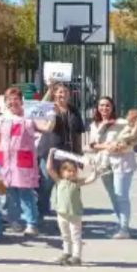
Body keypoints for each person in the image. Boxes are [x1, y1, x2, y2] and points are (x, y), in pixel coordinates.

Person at [0, 87, 55, 237]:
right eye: (9, 99)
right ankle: (14, 221)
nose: (12, 102)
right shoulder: (1, 119)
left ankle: (31, 223)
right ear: (6, 102)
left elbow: (46, 128)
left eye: (16, 99)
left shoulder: (29, 117)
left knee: (25, 192)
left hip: (23, 161)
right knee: (10, 192)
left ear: (21, 101)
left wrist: (51, 117)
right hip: (5, 161)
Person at [87, 98, 137, 239]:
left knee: (121, 195)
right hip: (104, 163)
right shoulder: (95, 125)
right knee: (113, 196)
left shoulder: (122, 123)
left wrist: (124, 145)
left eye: (107, 105)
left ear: (112, 107)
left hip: (122, 161)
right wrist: (108, 146)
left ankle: (124, 229)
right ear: (97, 108)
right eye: (101, 105)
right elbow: (93, 145)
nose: (104, 108)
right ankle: (122, 224)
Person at [46, 150, 100, 266]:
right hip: (61, 213)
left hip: (74, 213)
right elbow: (49, 169)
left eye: (74, 171)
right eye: (68, 171)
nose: (72, 173)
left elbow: (91, 178)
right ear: (62, 172)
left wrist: (94, 169)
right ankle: (67, 253)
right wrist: (51, 154)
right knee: (65, 235)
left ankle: (76, 256)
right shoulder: (59, 181)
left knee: (76, 236)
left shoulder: (77, 183)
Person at [39, 83, 85, 217]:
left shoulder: (74, 111)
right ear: (54, 94)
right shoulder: (48, 108)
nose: (62, 94)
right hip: (49, 152)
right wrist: (49, 88)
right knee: (46, 183)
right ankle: (42, 212)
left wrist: (79, 154)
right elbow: (39, 107)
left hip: (68, 153)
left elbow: (78, 133)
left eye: (65, 92)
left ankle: (67, 212)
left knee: (68, 183)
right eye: (59, 92)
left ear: (69, 94)